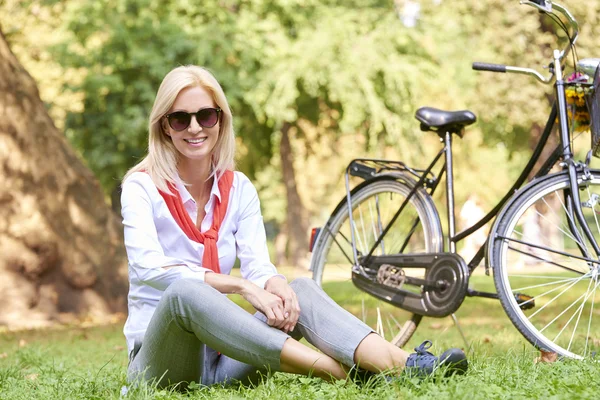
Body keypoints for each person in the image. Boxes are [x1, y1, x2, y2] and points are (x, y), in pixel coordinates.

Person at [121, 65, 467, 389]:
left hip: (227, 361)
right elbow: (148, 266)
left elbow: (258, 264)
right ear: (165, 125)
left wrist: (273, 284)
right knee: (185, 291)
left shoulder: (238, 188)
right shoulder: (142, 187)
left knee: (297, 287)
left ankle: (408, 363)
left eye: (206, 116)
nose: (195, 128)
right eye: (181, 119)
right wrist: (242, 288)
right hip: (163, 367)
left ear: (221, 121)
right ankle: (337, 369)